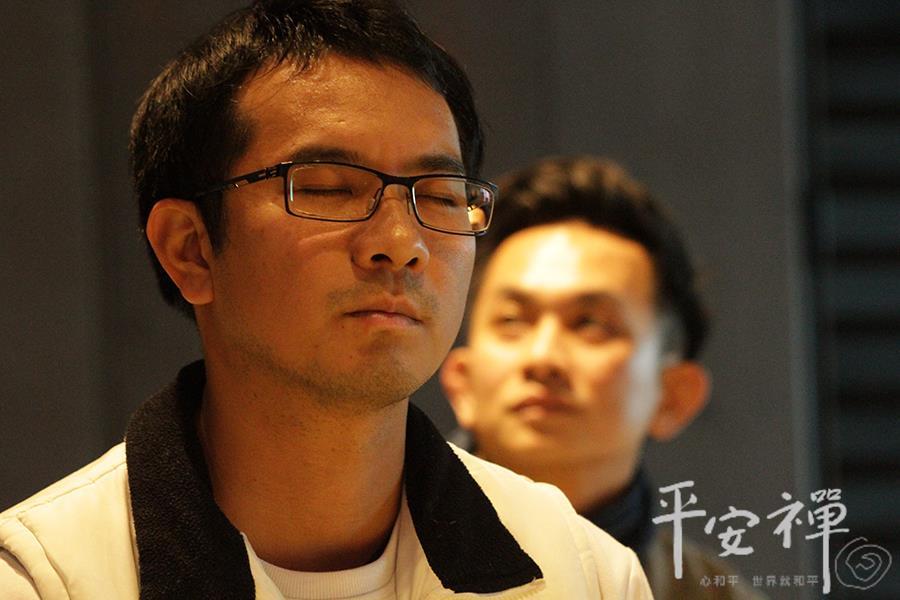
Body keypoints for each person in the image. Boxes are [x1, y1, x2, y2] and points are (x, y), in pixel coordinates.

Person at [0, 3, 651, 599]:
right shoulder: (47, 579)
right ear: (191, 249)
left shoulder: (584, 572)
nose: (400, 244)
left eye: (441, 196)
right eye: (327, 189)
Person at [441, 155, 766, 599]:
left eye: (590, 325)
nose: (543, 357)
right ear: (462, 382)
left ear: (673, 397)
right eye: (512, 321)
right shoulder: (364, 550)